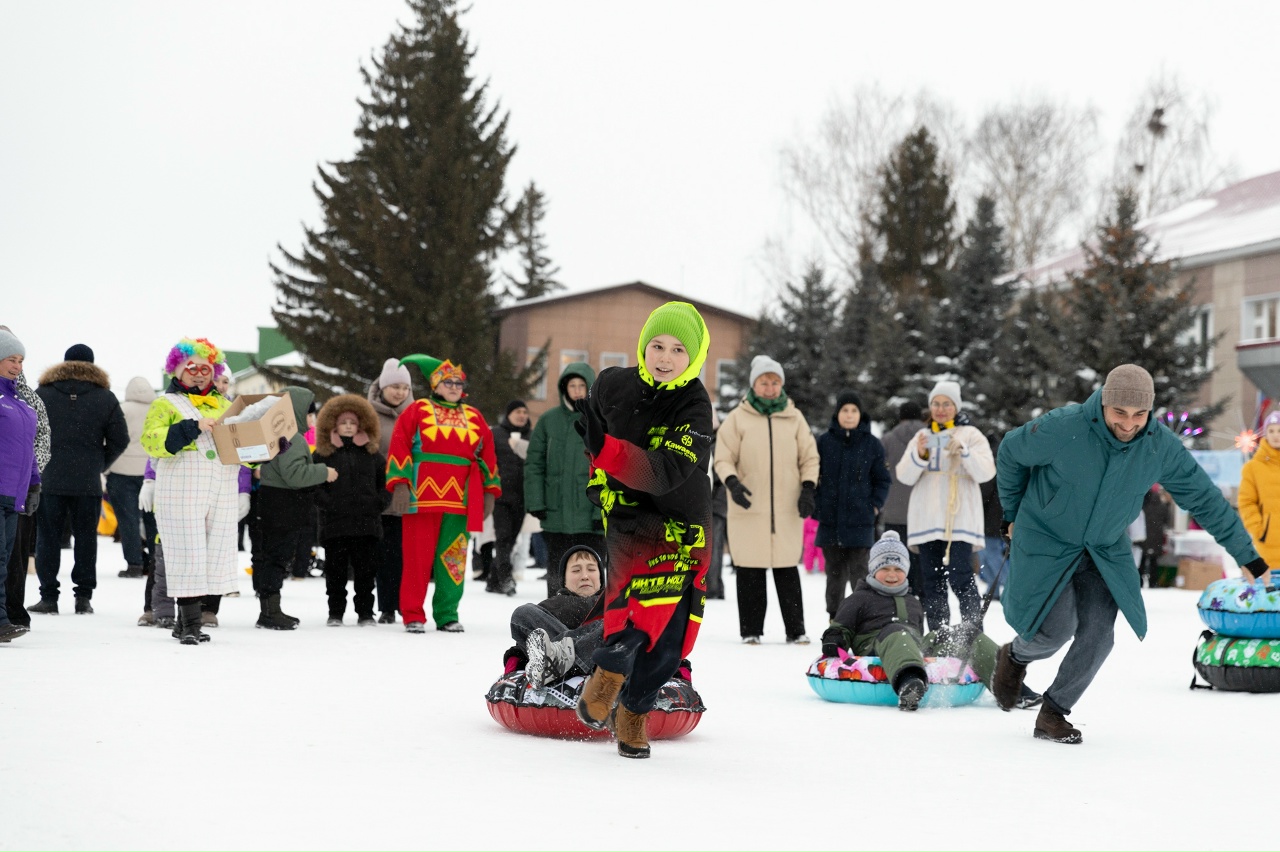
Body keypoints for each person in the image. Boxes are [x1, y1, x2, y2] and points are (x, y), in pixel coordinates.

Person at [992, 364, 1272, 744]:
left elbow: (1205, 499)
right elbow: (1011, 451)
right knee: (1054, 630)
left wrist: (1246, 553)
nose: (1129, 424)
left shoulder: (1159, 445)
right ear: (1104, 404)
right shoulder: (1065, 427)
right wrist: (1011, 513)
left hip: (1104, 548)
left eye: (1139, 414)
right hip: (1047, 538)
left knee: (1099, 635)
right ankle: (1015, 657)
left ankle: (1053, 713)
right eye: (1119, 413)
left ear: (1150, 411)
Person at [574, 301, 713, 759]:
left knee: (672, 634)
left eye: (677, 349)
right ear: (643, 346)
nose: (665, 357)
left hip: (683, 523)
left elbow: (665, 472)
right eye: (657, 345)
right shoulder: (613, 384)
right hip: (632, 518)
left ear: (692, 358)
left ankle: (633, 709)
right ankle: (610, 671)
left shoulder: (694, 404)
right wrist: (598, 475)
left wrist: (607, 450)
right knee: (634, 608)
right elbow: (593, 434)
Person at [819, 531, 1001, 710]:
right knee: (897, 631)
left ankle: (1004, 682)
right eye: (884, 569)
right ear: (873, 569)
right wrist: (835, 638)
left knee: (962, 632)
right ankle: (910, 683)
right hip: (877, 647)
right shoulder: (859, 598)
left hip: (914, 646)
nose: (892, 575)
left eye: (898, 569)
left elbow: (920, 635)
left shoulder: (912, 601)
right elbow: (841, 627)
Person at [387, 354, 500, 634]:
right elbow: (399, 444)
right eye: (447, 382)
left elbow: (488, 455)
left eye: (458, 382)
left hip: (461, 498)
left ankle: (447, 614)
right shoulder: (417, 409)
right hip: (420, 497)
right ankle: (413, 614)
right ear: (435, 385)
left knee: (454, 559)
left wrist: (489, 491)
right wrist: (399, 483)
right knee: (416, 558)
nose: (453, 386)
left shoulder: (474, 416)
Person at [140, 338, 241, 645]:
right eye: (192, 368)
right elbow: (151, 440)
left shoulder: (226, 406)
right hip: (181, 488)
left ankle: (185, 622)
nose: (199, 374)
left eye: (206, 369)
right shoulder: (164, 404)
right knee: (187, 553)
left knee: (211, 555)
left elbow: (240, 450)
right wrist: (188, 428)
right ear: (178, 371)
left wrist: (265, 445)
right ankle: (191, 625)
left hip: (219, 489)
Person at [714, 354, 819, 645]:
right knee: (749, 570)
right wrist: (732, 483)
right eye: (764, 382)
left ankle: (796, 630)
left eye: (775, 382)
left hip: (787, 507)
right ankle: (751, 631)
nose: (770, 387)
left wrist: (808, 488)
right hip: (748, 505)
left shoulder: (794, 418)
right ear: (754, 384)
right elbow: (723, 457)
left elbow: (809, 457)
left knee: (787, 570)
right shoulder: (738, 418)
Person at [31, 343, 129, 615]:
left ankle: (48, 597)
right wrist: (99, 463)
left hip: (50, 479)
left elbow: (31, 433)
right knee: (86, 539)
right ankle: (83, 597)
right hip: (88, 481)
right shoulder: (105, 397)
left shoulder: (43, 394)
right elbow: (120, 439)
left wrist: (41, 463)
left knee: (47, 538)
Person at [895, 381, 994, 632]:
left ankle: (972, 634)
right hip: (927, 520)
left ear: (955, 406)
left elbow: (987, 472)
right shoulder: (922, 436)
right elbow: (903, 476)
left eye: (946, 404)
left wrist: (964, 452)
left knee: (962, 577)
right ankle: (938, 635)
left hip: (959, 519)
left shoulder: (971, 435)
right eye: (936, 404)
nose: (941, 409)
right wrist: (920, 454)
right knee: (932, 582)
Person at [253, 386, 336, 629]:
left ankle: (270, 609)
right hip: (283, 507)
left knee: (273, 557)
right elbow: (295, 475)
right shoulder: (292, 439)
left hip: (275, 505)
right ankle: (270, 612)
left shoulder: (280, 435)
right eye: (310, 414)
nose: (313, 420)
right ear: (297, 412)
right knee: (277, 558)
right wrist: (324, 472)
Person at [524, 361, 604, 596]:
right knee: (559, 571)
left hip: (591, 516)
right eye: (572, 385)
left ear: (590, 388)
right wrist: (536, 502)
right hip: (556, 513)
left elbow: (609, 470)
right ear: (564, 388)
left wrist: (601, 512)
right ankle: (556, 618)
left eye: (582, 385)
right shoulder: (549, 421)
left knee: (592, 570)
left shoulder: (602, 420)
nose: (577, 390)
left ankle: (594, 622)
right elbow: (534, 464)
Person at [814, 391, 891, 620]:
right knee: (834, 575)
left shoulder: (872, 444)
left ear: (860, 414)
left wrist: (874, 506)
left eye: (854, 410)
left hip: (860, 522)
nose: (849, 415)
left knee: (860, 575)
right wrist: (819, 506)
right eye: (845, 410)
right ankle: (834, 618)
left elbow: (883, 479)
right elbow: (812, 474)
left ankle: (861, 618)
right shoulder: (824, 442)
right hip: (830, 522)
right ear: (837, 413)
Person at [314, 394, 388, 626]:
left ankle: (366, 613)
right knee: (335, 574)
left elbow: (385, 485)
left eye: (352, 422)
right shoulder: (322, 454)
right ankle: (335, 613)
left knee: (366, 574)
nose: (348, 426)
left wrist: (377, 504)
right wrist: (329, 505)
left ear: (361, 425)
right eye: (343, 422)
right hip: (335, 525)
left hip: (367, 525)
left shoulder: (373, 455)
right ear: (333, 424)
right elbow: (314, 486)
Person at [1, 326, 50, 631]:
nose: (17, 365)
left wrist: (33, 483)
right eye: (11, 358)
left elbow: (33, 446)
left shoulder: (22, 400)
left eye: (20, 360)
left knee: (7, 560)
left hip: (14, 495)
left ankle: (6, 617)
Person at [503, 545, 606, 688]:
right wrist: (514, 660)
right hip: (551, 666)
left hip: (600, 663)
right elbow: (532, 643)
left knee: (611, 625)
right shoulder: (549, 607)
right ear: (564, 579)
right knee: (523, 613)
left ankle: (561, 659)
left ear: (601, 577)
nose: (585, 576)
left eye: (592, 569)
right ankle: (557, 661)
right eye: (576, 570)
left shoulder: (611, 602)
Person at [367, 358, 414, 622]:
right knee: (381, 554)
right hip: (376, 494)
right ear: (383, 387)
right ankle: (385, 606)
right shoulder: (368, 414)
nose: (400, 393)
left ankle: (403, 604)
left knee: (404, 554)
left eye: (405, 388)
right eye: (395, 386)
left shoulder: (418, 414)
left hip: (407, 494)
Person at [105, 377, 158, 579]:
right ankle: (155, 561)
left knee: (128, 521)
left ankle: (134, 564)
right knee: (153, 521)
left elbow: (110, 437)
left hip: (122, 470)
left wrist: (106, 468)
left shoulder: (122, 409)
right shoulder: (157, 409)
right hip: (151, 471)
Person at [880, 401, 926, 597]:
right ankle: (921, 602)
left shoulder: (888, 439)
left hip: (894, 511)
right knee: (923, 564)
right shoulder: (929, 437)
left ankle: (901, 598)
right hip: (924, 514)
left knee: (898, 560)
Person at [487, 400, 531, 596]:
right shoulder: (496, 434)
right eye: (517, 411)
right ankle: (506, 578)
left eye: (524, 412)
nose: (522, 415)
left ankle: (493, 579)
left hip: (523, 497)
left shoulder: (532, 436)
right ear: (508, 414)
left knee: (512, 539)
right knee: (503, 537)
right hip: (501, 496)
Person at [1237, 412, 1280, 585]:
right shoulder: (1253, 468)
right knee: (1270, 593)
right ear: (1265, 434)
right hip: (1268, 541)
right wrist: (1259, 529)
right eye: (1271, 431)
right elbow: (1246, 502)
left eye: (1279, 431)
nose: (1276, 435)